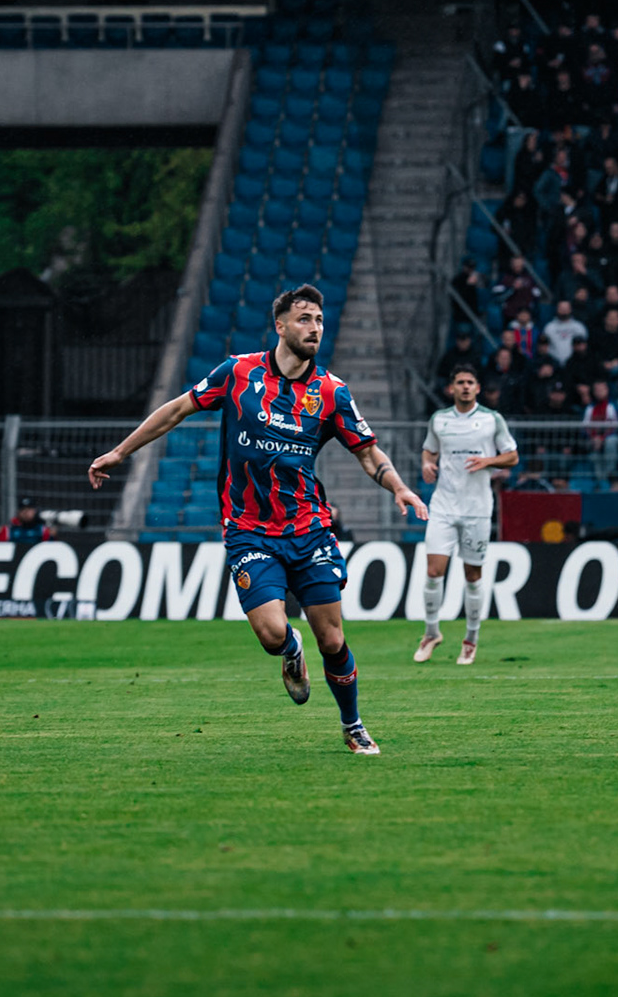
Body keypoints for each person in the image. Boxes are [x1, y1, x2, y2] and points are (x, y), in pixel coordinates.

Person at [88, 283, 425, 755]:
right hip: (249, 530)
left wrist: (400, 486)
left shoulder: (331, 392)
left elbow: (367, 453)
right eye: (304, 319)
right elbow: (177, 410)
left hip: (309, 529)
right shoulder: (239, 373)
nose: (314, 328)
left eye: (320, 321)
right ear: (280, 326)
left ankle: (353, 725)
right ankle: (291, 651)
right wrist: (121, 452)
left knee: (332, 638)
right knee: (271, 635)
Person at [415, 365, 519, 666]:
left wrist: (489, 460)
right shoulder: (440, 420)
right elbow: (429, 451)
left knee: (473, 576)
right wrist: (426, 465)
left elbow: (512, 455)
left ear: (477, 388)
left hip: (477, 509)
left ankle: (471, 639)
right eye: (459, 382)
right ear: (451, 388)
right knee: (434, 571)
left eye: (469, 382)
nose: (464, 387)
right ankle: (431, 633)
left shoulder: (491, 420)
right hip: (444, 506)